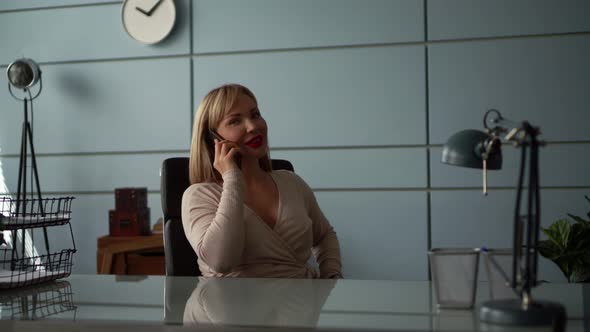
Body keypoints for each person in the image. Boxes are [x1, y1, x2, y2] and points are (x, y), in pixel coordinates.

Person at [181, 83, 342, 278]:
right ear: (213, 138)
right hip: (231, 306)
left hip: (302, 303)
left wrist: (332, 277)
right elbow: (221, 261)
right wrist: (232, 178)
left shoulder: (292, 182)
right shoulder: (198, 195)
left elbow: (325, 236)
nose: (253, 126)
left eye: (255, 115)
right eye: (235, 121)